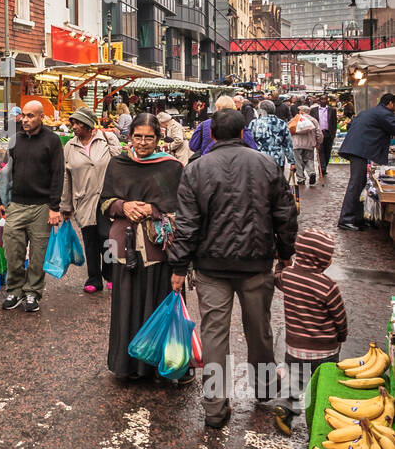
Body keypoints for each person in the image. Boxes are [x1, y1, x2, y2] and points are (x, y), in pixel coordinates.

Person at [169, 109, 298, 429]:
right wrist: (285, 254)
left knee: (215, 336)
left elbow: (186, 223)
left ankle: (214, 407)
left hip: (211, 265)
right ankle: (266, 390)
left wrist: (179, 265)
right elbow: (285, 214)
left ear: (211, 134)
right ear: (243, 132)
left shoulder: (196, 169)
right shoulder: (266, 164)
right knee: (260, 330)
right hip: (256, 263)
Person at [97, 113, 183, 383]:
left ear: (158, 138)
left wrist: (153, 208)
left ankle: (159, 367)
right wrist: (124, 206)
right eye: (138, 136)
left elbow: (182, 207)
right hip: (124, 247)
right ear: (129, 136)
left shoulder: (172, 167)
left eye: (149, 137)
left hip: (158, 249)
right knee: (127, 303)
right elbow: (104, 202)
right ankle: (128, 366)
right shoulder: (118, 163)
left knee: (156, 302)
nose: (143, 142)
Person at [271, 229, 348, 435]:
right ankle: (319, 422)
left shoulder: (289, 277)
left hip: (295, 348)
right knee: (323, 386)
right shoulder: (328, 286)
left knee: (293, 382)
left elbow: (276, 277)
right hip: (325, 351)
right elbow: (339, 317)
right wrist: (342, 336)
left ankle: (285, 409)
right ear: (323, 261)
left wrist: (281, 263)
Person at [0, 100, 64, 314]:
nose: (25, 119)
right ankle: (15, 290)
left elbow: (58, 175)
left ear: (41, 117)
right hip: (16, 204)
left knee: (38, 255)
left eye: (30, 116)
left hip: (42, 206)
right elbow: (3, 172)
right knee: (13, 252)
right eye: (24, 116)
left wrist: (55, 207)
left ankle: (32, 292)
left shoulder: (52, 141)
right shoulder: (14, 140)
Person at [60, 106, 120, 294]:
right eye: (73, 123)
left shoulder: (107, 139)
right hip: (83, 199)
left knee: (108, 238)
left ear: (88, 124)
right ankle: (94, 278)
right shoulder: (70, 146)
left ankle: (110, 274)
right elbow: (66, 176)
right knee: (90, 240)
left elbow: (119, 164)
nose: (74, 127)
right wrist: (65, 204)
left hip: (106, 199)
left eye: (78, 123)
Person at [337, 93, 395, 231]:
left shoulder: (373, 111)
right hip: (360, 150)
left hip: (358, 149)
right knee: (356, 184)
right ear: (391, 103)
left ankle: (357, 218)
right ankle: (346, 219)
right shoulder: (384, 113)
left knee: (360, 183)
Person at [189, 94, 258, 155]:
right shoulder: (239, 123)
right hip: (235, 162)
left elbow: (193, 146)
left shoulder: (204, 125)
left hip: (208, 162)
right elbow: (252, 147)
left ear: (217, 107)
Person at [252, 99, 296, 169]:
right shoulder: (282, 123)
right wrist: (292, 161)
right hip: (278, 159)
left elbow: (250, 141)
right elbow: (288, 143)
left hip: (260, 159)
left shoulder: (254, 123)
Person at [289, 103, 323, 187]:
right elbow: (319, 133)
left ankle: (301, 179)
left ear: (302, 111)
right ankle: (311, 173)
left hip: (297, 144)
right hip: (309, 144)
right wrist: (318, 142)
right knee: (309, 159)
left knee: (298, 161)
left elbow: (288, 129)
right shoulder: (313, 120)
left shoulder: (295, 119)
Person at [315, 94, 338, 177]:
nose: (323, 101)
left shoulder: (332, 110)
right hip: (319, 133)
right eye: (322, 99)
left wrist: (333, 134)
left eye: (325, 99)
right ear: (319, 101)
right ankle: (322, 168)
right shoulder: (314, 110)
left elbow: (334, 123)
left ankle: (324, 167)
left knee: (327, 152)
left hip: (328, 133)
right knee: (320, 151)